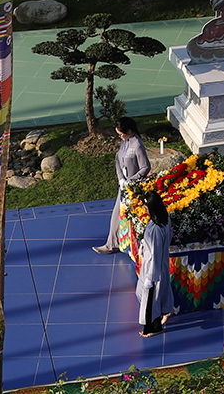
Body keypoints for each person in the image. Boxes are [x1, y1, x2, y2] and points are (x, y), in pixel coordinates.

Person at [93, 116, 152, 255]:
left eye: (121, 134)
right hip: (124, 186)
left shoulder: (137, 145)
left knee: (130, 216)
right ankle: (111, 244)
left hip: (132, 188)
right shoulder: (124, 142)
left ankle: (132, 246)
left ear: (130, 131)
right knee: (117, 215)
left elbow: (145, 167)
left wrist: (131, 180)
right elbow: (118, 161)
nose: (120, 137)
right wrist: (121, 179)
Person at [136, 190, 175, 337]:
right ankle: (166, 311)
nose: (144, 209)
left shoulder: (156, 229)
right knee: (156, 295)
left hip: (153, 270)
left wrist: (150, 277)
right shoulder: (163, 219)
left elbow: (154, 254)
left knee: (150, 301)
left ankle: (153, 328)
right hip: (159, 266)